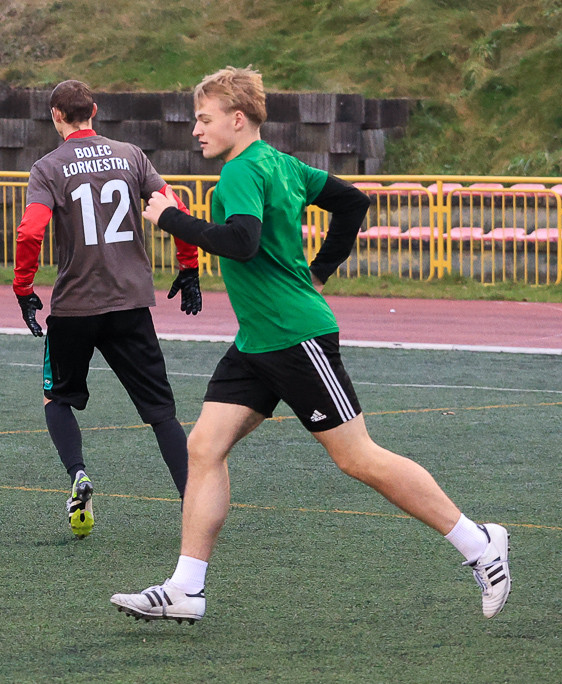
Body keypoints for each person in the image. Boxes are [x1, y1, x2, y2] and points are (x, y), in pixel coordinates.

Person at [110, 66, 510, 622]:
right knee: (203, 448)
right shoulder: (282, 164)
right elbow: (352, 203)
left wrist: (171, 218)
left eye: (204, 119)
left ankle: (479, 542)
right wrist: (318, 272)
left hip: (294, 337)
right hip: (258, 340)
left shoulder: (240, 172)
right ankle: (186, 588)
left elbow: (242, 241)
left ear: (237, 119)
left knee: (357, 457)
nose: (196, 130)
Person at [13, 80, 203, 539]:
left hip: (75, 306)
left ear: (56, 115)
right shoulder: (130, 154)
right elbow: (173, 206)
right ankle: (195, 502)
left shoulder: (47, 167)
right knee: (161, 412)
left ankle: (78, 473)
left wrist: (24, 288)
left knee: (57, 399)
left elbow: (31, 231)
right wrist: (189, 267)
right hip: (131, 302)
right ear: (94, 110)